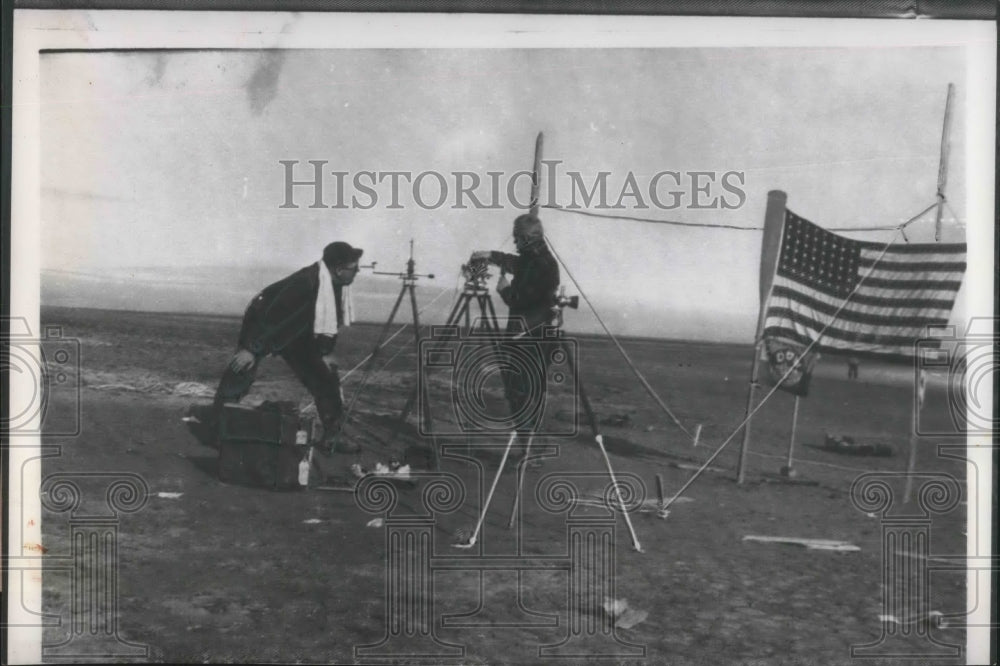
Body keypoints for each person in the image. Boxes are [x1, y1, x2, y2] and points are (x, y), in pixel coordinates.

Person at [202, 241, 364, 453]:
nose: (357, 272)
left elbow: (327, 324)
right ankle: (218, 431)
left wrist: (324, 353)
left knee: (325, 377)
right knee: (241, 369)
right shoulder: (305, 282)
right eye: (355, 268)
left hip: (297, 333)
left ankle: (333, 436)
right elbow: (269, 314)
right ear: (339, 269)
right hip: (261, 323)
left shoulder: (334, 285)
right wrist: (251, 348)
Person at [471, 213, 561, 431]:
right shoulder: (537, 259)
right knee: (523, 393)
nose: (514, 242)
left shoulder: (540, 264)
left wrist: (505, 290)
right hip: (530, 338)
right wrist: (489, 255)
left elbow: (522, 300)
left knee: (523, 395)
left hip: (530, 340)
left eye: (516, 238)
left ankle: (532, 451)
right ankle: (530, 448)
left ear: (526, 238)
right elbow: (517, 263)